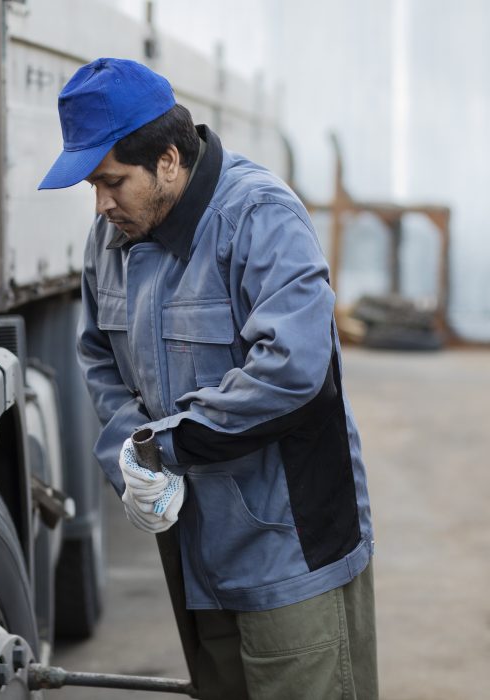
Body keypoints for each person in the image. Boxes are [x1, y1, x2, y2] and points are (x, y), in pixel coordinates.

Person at [38, 58, 377, 699]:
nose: (102, 202)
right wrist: (128, 461)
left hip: (289, 550)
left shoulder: (260, 216)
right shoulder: (110, 237)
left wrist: (161, 446)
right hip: (196, 556)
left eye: (113, 181)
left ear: (168, 160)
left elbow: (293, 372)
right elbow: (100, 361)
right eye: (92, 186)